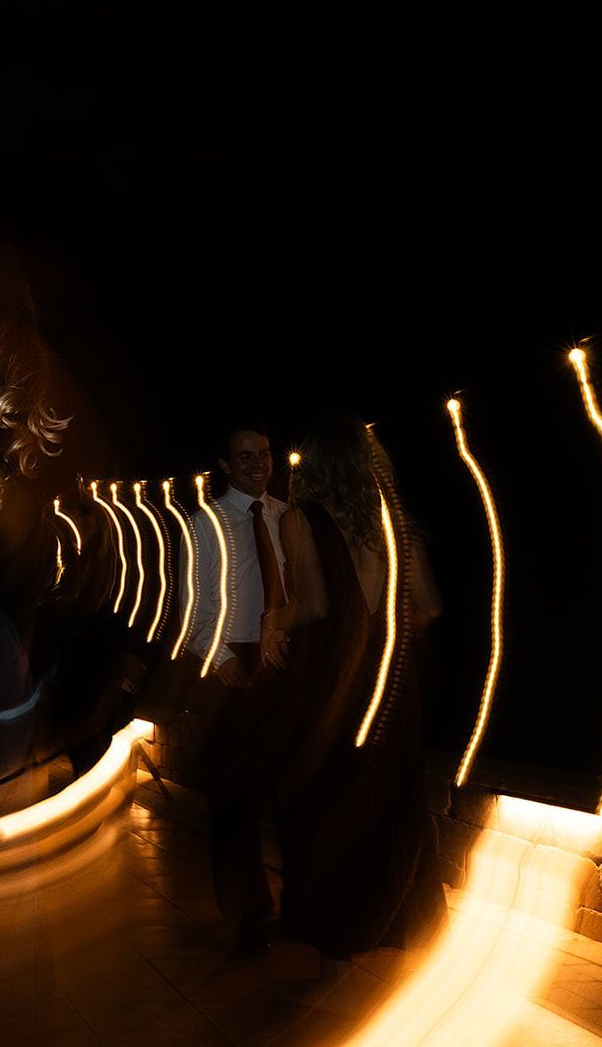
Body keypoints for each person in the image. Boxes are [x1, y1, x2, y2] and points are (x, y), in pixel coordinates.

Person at [265, 412, 444, 995]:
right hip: (394, 686)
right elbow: (431, 609)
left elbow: (313, 605)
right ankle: (402, 941)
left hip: (334, 687)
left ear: (316, 465)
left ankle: (336, 953)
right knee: (390, 805)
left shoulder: (301, 519)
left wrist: (273, 619)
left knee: (324, 808)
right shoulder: (402, 527)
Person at [186, 425, 288, 959]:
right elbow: (193, 597)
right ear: (225, 464)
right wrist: (218, 657)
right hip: (231, 660)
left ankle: (298, 904)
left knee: (286, 785)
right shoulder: (209, 521)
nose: (258, 463)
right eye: (245, 456)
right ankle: (249, 916)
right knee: (233, 797)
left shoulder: (284, 513)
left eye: (265, 453)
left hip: (280, 657)